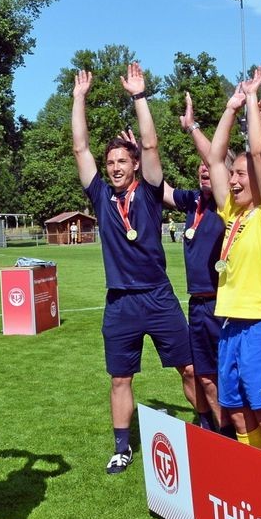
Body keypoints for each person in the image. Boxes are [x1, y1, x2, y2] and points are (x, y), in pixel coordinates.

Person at [71, 63, 195, 475]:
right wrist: (78, 99)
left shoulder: (152, 192)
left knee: (190, 368)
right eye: (111, 163)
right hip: (120, 302)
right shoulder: (101, 195)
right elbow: (79, 149)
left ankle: (213, 429)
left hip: (158, 295)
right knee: (120, 379)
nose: (115, 167)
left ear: (135, 165)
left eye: (122, 161)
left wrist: (140, 97)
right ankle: (122, 447)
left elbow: (152, 145)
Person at [193, 67, 261, 462]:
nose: (234, 180)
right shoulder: (232, 215)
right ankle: (258, 489)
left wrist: (253, 102)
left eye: (242, 175)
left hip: (260, 324)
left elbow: (259, 155)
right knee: (239, 416)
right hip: (229, 324)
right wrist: (230, 108)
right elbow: (215, 157)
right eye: (233, 176)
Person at [172, 95, 226, 434]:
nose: (204, 170)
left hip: (225, 303)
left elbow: (215, 160)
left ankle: (240, 439)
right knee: (204, 377)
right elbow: (156, 188)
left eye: (209, 167)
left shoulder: (227, 203)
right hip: (198, 304)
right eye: (200, 168)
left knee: (227, 379)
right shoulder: (193, 201)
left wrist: (192, 127)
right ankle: (218, 435)